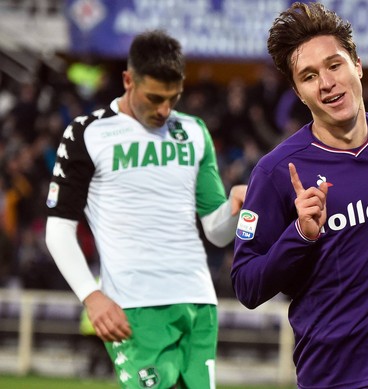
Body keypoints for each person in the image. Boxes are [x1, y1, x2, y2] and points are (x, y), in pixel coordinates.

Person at [231, 3, 368, 388]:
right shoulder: (275, 173)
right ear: (299, 92)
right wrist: (300, 234)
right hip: (336, 373)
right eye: (309, 76)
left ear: (358, 65)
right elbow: (247, 285)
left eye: (334, 65)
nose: (327, 83)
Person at [44, 30, 246, 389]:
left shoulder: (194, 131)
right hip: (133, 308)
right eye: (154, 98)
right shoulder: (88, 133)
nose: (165, 110)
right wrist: (91, 297)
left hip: (197, 303)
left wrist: (234, 206)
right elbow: (58, 231)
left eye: (173, 98)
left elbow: (216, 232)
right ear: (127, 80)